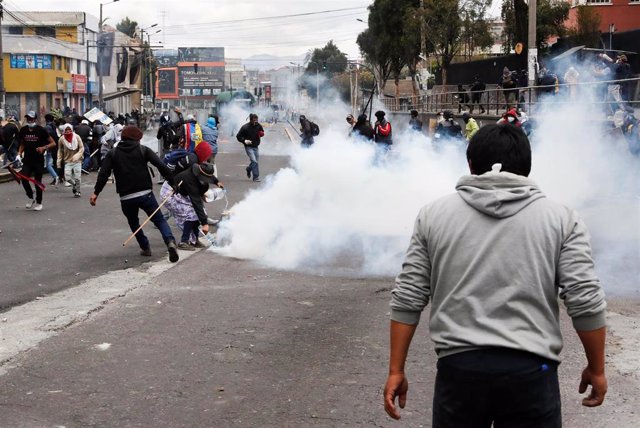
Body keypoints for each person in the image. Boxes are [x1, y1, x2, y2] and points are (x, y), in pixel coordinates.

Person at [384, 124, 607, 426]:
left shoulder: (432, 216)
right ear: (526, 169)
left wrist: (396, 369)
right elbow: (585, 299)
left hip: (459, 370)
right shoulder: (562, 219)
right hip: (533, 371)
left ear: (471, 164)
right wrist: (597, 368)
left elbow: (408, 297)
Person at [90, 125, 179, 263]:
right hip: (146, 194)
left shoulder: (113, 153)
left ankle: (145, 247)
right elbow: (161, 166)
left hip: (126, 197)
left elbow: (103, 174)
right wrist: (173, 183)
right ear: (137, 139)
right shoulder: (143, 150)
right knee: (159, 220)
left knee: (134, 222)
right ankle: (170, 242)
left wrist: (96, 193)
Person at [161, 162, 223, 251]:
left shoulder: (199, 170)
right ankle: (184, 241)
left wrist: (217, 182)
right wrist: (205, 223)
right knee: (191, 213)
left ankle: (194, 240)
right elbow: (196, 202)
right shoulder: (189, 179)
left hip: (183, 192)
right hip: (170, 193)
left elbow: (209, 175)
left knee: (198, 213)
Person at [18, 111, 57, 211]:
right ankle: (30, 197)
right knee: (24, 178)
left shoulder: (41, 130)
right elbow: (22, 143)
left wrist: (44, 147)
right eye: (28, 119)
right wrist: (19, 154)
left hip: (38, 160)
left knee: (37, 182)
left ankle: (39, 203)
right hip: (27, 160)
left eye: (31, 119)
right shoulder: (23, 130)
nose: (30, 120)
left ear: (35, 119)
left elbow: (53, 143)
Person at [56, 123, 84, 197]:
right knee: (67, 177)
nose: (68, 131)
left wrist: (77, 155)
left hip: (77, 161)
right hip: (67, 161)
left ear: (72, 129)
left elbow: (81, 148)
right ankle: (74, 185)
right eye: (66, 130)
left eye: (69, 129)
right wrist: (59, 160)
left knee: (77, 177)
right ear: (64, 130)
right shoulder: (61, 139)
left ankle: (78, 191)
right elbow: (60, 150)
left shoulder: (77, 137)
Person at [236, 113, 265, 182]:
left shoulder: (259, 126)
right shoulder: (245, 127)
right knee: (254, 161)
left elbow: (262, 131)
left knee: (255, 162)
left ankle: (249, 169)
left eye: (257, 120)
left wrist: (261, 133)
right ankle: (256, 177)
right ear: (251, 120)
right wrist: (244, 141)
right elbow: (238, 136)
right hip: (249, 147)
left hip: (256, 146)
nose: (256, 122)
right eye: (254, 121)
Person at [44, 113, 61, 185]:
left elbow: (46, 138)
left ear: (46, 119)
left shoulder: (47, 127)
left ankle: (56, 177)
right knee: (55, 163)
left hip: (50, 147)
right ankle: (59, 176)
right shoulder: (55, 126)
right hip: (56, 146)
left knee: (48, 164)